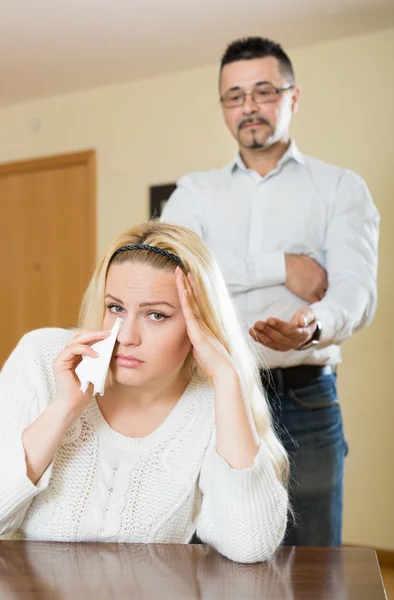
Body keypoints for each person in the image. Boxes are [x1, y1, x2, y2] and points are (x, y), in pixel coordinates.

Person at [0, 222, 289, 563]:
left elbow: (249, 545)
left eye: (156, 315)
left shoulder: (214, 397)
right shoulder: (42, 356)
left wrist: (229, 381)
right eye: (115, 308)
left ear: (199, 322)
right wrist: (64, 408)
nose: (126, 336)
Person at [161, 36, 380, 547]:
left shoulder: (340, 188)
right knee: (209, 551)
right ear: (222, 107)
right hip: (208, 394)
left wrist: (312, 327)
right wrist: (281, 265)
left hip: (305, 397)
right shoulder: (196, 192)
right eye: (234, 96)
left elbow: (356, 290)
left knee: (313, 560)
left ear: (293, 97)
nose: (249, 107)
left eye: (263, 92)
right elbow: (174, 268)